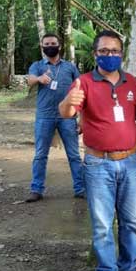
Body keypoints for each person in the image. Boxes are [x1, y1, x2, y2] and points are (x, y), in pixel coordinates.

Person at [59, 30, 136, 271]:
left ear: (121, 54)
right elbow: (67, 111)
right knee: (103, 223)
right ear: (95, 54)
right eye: (103, 51)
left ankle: (129, 267)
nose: (109, 55)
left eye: (114, 51)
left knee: (131, 221)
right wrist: (69, 103)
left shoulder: (131, 84)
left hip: (130, 162)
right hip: (97, 164)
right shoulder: (83, 82)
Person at [26, 33, 84, 202]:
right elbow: (29, 80)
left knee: (73, 154)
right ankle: (36, 189)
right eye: (46, 43)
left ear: (59, 46)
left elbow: (81, 88)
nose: (50, 46)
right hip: (44, 116)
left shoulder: (70, 67)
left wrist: (81, 116)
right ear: (42, 46)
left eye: (53, 43)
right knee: (40, 155)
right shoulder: (37, 65)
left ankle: (80, 188)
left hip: (67, 116)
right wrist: (39, 78)